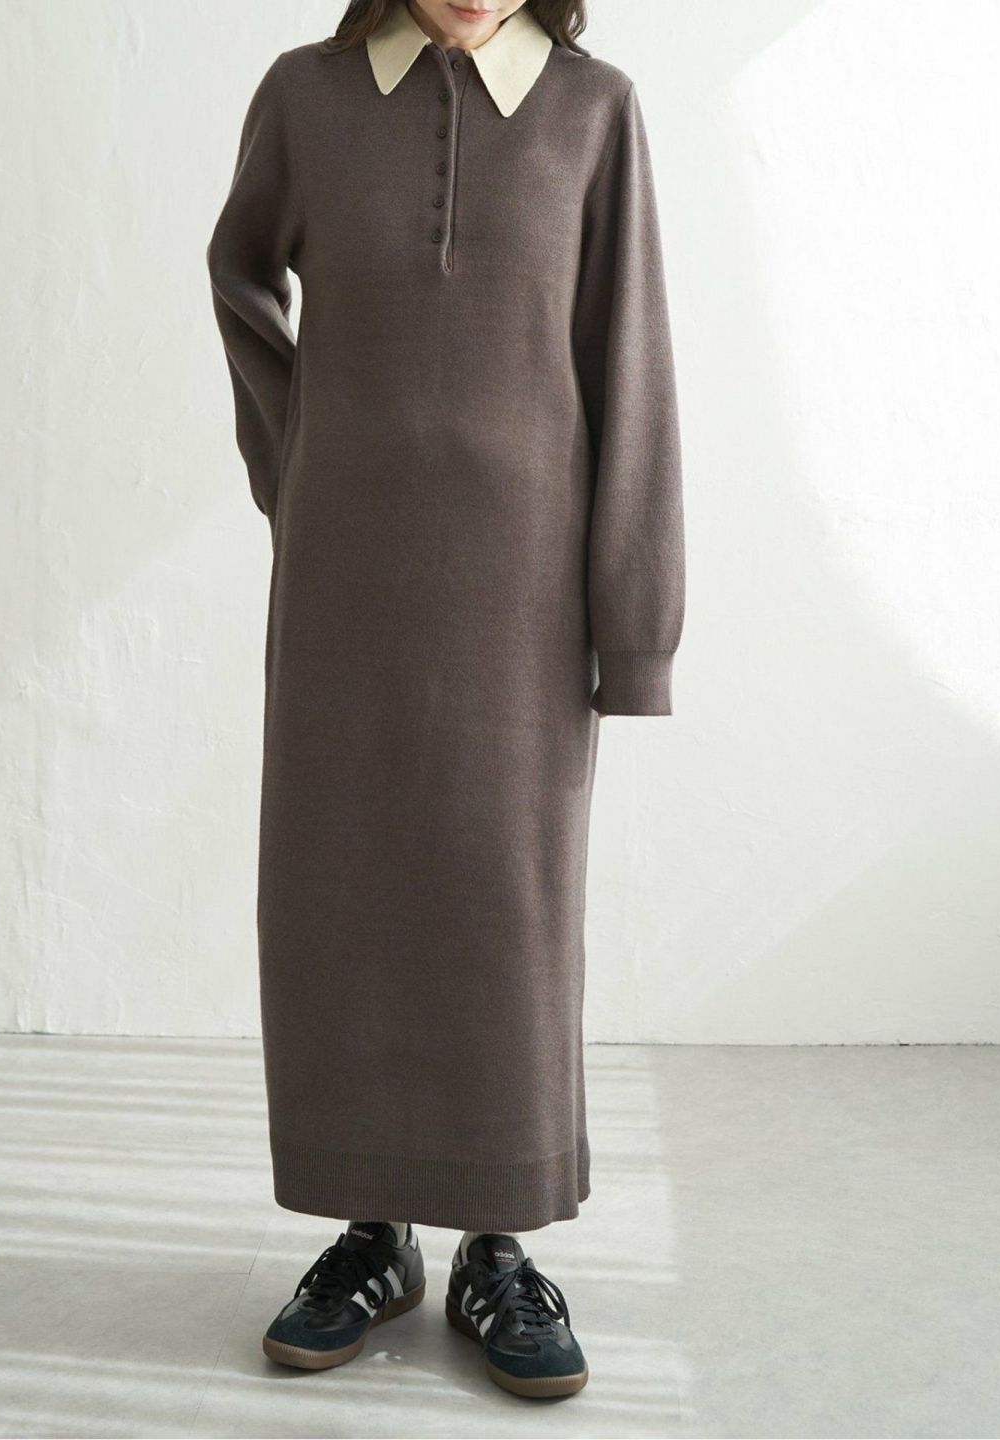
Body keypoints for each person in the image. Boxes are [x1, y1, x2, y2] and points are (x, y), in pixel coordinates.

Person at [206, 0, 684, 1399]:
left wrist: (635, 627)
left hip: (525, 596)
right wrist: (296, 461)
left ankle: (498, 1245)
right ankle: (372, 1235)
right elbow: (239, 272)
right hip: (343, 583)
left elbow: (633, 366)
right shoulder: (305, 97)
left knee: (503, 906)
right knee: (339, 889)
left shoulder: (594, 111)